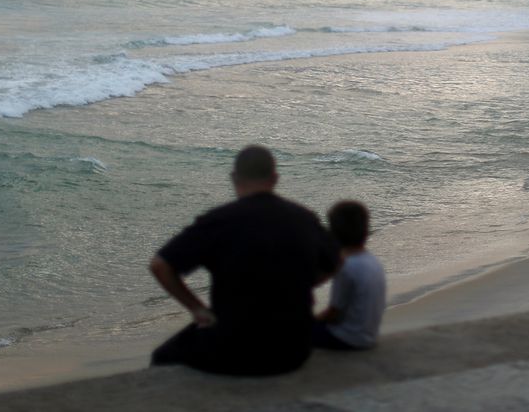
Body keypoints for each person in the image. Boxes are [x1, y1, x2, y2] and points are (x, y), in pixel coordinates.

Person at [149, 145, 340, 375]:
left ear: (233, 178)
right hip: (293, 349)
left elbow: (160, 265)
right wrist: (303, 281)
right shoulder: (304, 217)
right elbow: (335, 261)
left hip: (234, 349)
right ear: (275, 178)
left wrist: (197, 308)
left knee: (162, 357)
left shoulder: (219, 221)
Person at [313, 200, 387, 351]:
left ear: (333, 234)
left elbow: (334, 314)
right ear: (366, 231)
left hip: (347, 338)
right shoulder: (372, 261)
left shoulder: (346, 267)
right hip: (369, 335)